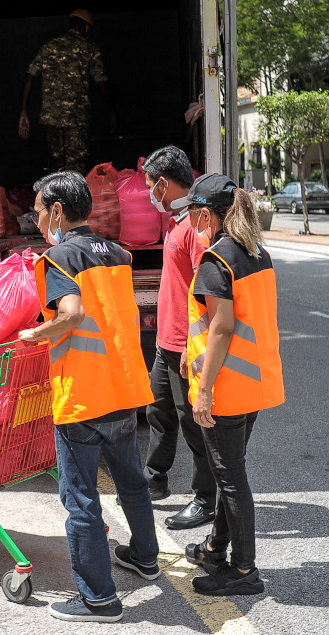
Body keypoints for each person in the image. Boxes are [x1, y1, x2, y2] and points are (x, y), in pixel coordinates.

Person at [17, 171, 155, 623]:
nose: (37, 220)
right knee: (131, 479)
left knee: (81, 501)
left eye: (38, 210)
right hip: (124, 384)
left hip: (84, 394)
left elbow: (72, 315)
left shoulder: (59, 258)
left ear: (57, 210)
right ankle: (145, 558)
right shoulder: (117, 252)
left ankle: (98, 599)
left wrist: (35, 332)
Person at [176, 173, 285, 597]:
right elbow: (219, 322)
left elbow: (223, 327)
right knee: (228, 476)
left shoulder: (216, 260)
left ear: (206, 215)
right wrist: (191, 347)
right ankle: (215, 546)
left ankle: (244, 572)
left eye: (190, 214)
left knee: (231, 477)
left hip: (226, 387)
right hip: (253, 381)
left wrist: (204, 390)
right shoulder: (256, 253)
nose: (189, 223)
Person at [140, 146, 218, 532]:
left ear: (164, 184)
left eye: (150, 186)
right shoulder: (176, 221)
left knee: (193, 423)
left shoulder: (194, 227)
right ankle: (153, 482)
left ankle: (206, 498)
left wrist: (193, 346)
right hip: (165, 342)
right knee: (158, 413)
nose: (149, 194)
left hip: (185, 345)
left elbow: (207, 292)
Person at [18, 10, 116, 173]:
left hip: (52, 117)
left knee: (58, 161)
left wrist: (23, 111)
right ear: (85, 28)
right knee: (76, 163)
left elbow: (30, 76)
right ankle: (73, 196)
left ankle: (60, 195)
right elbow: (101, 81)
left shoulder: (49, 46)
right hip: (76, 117)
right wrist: (112, 109)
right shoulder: (88, 48)